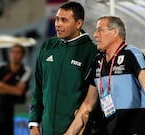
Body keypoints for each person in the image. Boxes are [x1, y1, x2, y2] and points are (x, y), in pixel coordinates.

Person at [64, 16, 145, 135]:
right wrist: (69, 133)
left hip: (131, 129)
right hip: (107, 129)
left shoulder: (131, 53)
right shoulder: (98, 60)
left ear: (115, 32)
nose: (95, 35)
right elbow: (88, 104)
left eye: (100, 30)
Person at [28, 1, 97, 135]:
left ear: (78, 23)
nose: (58, 24)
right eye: (57, 19)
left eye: (64, 20)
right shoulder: (48, 46)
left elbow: (92, 98)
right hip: (47, 129)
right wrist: (34, 123)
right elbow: (37, 87)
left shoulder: (91, 51)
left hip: (76, 130)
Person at [0, 44, 31, 135]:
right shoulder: (1, 67)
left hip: (18, 111)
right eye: (12, 52)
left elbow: (19, 91)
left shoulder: (25, 70)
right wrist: (12, 89)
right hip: (1, 110)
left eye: (18, 52)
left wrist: (2, 86)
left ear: (23, 55)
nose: (14, 55)